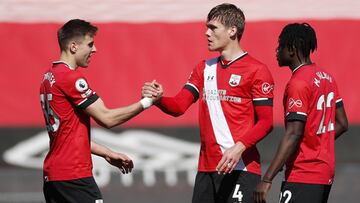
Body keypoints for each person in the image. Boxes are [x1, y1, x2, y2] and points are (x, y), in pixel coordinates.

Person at [142, 3, 274, 203]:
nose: (206, 33)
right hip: (206, 169)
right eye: (207, 27)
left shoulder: (257, 70)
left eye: (213, 28)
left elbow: (266, 122)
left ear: (232, 31)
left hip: (241, 168)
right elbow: (179, 106)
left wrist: (238, 148)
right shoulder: (204, 68)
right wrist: (158, 99)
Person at [39, 19, 160, 203]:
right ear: (73, 46)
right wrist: (147, 102)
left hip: (55, 177)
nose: (94, 50)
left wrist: (106, 153)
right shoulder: (70, 78)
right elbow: (107, 118)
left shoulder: (49, 76)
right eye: (90, 44)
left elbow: (68, 135)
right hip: (74, 177)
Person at [254, 23, 348, 203]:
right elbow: (343, 123)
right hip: (325, 172)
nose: (276, 50)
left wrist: (267, 179)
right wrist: (318, 143)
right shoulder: (327, 77)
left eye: (280, 45)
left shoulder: (298, 83)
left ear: (292, 49)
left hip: (304, 173)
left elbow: (294, 134)